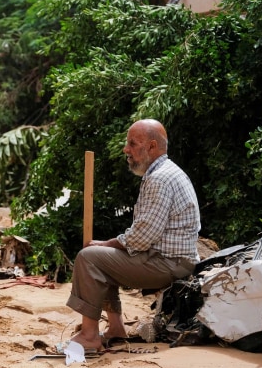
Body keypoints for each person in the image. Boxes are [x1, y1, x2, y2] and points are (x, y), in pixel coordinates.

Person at [65, 119, 201, 353]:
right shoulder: (166, 172)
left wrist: (106, 244)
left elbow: (142, 237)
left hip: (169, 263)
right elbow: (142, 236)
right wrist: (110, 247)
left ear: (151, 147)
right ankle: (116, 328)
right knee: (102, 256)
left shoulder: (159, 179)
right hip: (172, 260)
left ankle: (89, 336)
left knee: (89, 258)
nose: (126, 150)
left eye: (132, 144)